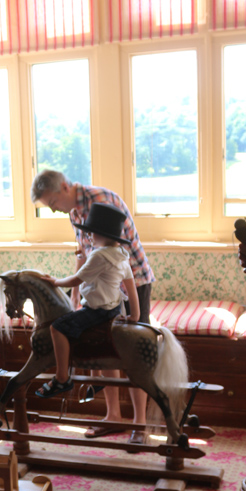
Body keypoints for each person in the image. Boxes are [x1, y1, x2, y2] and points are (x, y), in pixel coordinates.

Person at [31, 169, 154, 443]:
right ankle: (113, 416)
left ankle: (140, 424)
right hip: (99, 289)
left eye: (52, 203)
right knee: (104, 348)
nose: (53, 210)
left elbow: (113, 255)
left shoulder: (100, 199)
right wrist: (75, 297)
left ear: (64, 186)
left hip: (131, 281)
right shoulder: (74, 212)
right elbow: (84, 254)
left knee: (133, 353)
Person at [35, 203, 140, 397]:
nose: (89, 236)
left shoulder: (99, 256)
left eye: (92, 232)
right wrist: (135, 314)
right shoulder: (121, 255)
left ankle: (61, 378)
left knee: (57, 327)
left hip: (98, 310)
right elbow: (130, 287)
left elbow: (76, 279)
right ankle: (97, 376)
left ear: (103, 235)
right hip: (115, 309)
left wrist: (55, 282)